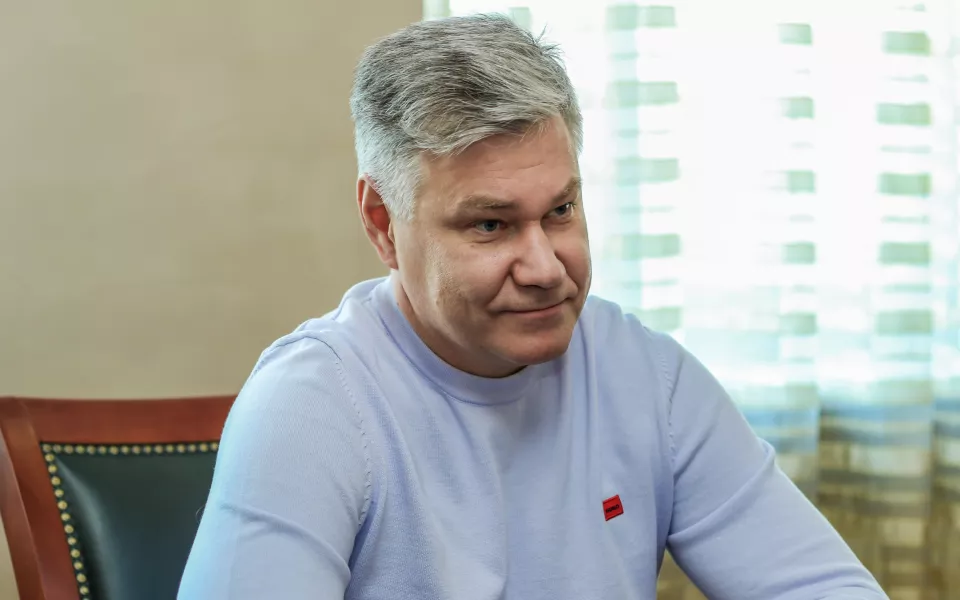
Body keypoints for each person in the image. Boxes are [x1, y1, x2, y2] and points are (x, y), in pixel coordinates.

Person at [178, 14, 887, 600]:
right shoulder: (311, 406)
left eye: (561, 211)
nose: (546, 268)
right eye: (490, 224)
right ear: (382, 223)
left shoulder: (649, 377)